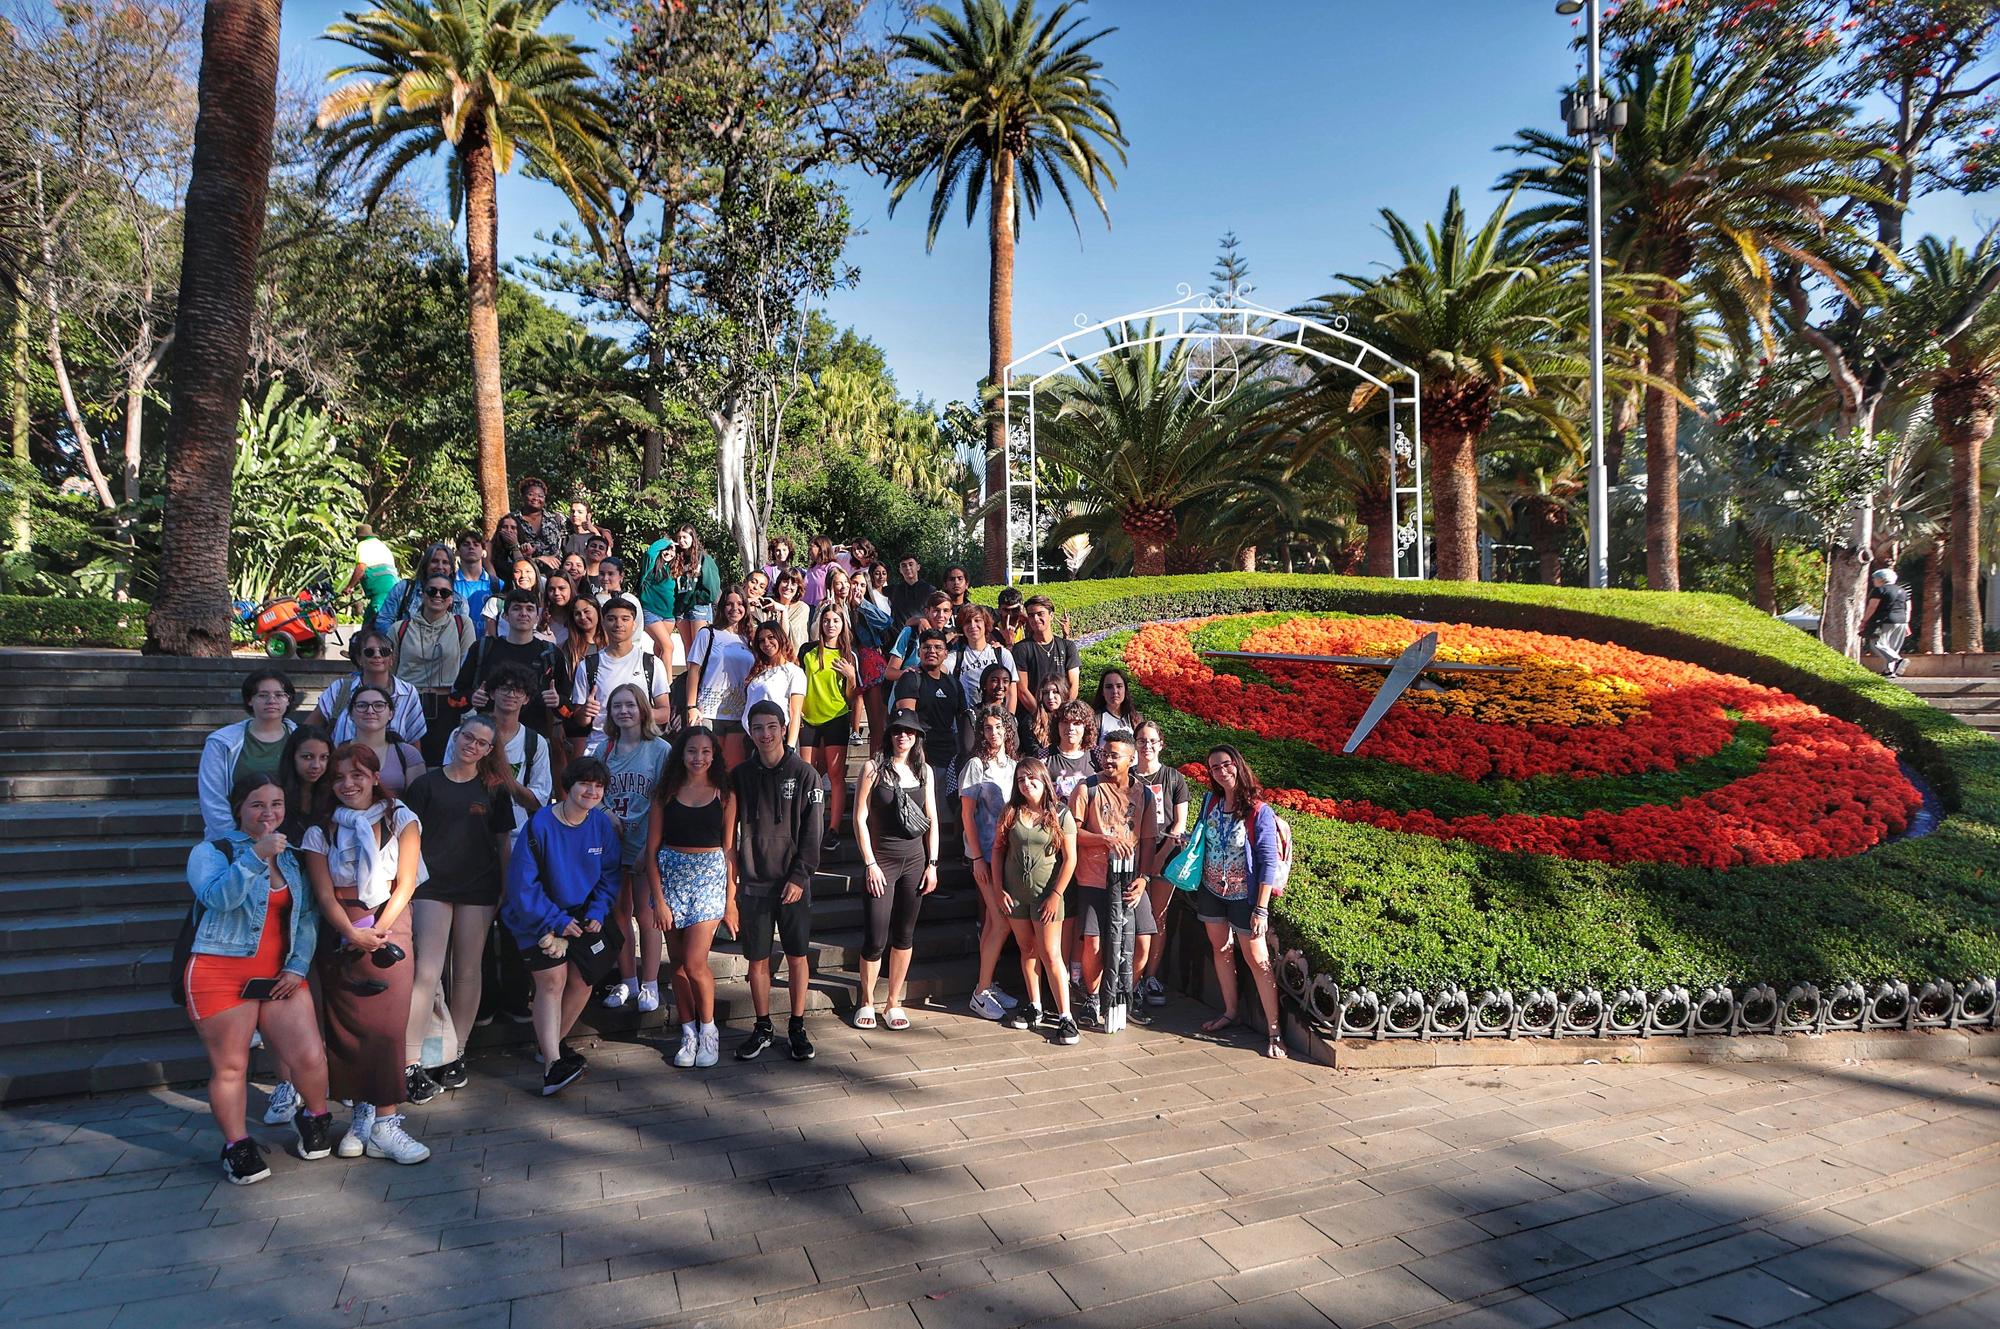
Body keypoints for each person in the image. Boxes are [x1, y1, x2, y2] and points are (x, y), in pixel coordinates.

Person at [185, 774, 334, 1184]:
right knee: (231, 1066)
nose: (268, 813)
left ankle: (316, 1116)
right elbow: (218, 897)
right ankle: (237, 1145)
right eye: (257, 805)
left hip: (279, 973)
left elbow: (306, 916)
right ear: (239, 809)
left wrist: (297, 965)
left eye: (277, 804)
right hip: (220, 970)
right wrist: (254, 856)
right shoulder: (210, 851)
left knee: (309, 1055)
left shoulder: (291, 857)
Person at [300, 743, 431, 1164]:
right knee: (346, 1027)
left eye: (357, 774)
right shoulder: (320, 829)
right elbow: (323, 893)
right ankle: (362, 1114)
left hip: (390, 923)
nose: (348, 784)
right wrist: (349, 933)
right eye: (338, 777)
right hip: (340, 928)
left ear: (375, 776)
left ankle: (387, 1122)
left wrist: (377, 929)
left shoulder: (401, 817)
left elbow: (406, 883)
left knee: (387, 1027)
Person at [402, 713, 514, 1099]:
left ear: (489, 751)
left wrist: (505, 887)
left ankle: (455, 1052)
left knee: (467, 971)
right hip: (432, 886)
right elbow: (407, 839)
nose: (474, 746)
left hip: (479, 887)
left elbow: (503, 842)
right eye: (469, 737)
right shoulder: (424, 784)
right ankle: (410, 1059)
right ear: (456, 735)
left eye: (483, 743)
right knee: (427, 973)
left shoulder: (494, 788)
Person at [501, 756, 622, 1095]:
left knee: (584, 977)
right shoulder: (540, 824)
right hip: (535, 916)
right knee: (552, 980)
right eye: (585, 784)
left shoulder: (600, 826)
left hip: (580, 916)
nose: (592, 791)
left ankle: (549, 1045)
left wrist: (598, 911)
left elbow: (610, 876)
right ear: (568, 786)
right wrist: (556, 921)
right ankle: (553, 1065)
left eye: (599, 787)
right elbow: (523, 885)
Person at [730, 700, 825, 1062]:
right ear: (750, 732)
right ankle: (763, 1025)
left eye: (772, 726)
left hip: (792, 883)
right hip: (754, 883)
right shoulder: (740, 775)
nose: (765, 734)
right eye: (758, 728)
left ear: (784, 728)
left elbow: (813, 833)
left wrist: (801, 874)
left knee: (797, 955)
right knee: (757, 959)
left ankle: (797, 1025)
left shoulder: (805, 774)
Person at [643, 727, 734, 1069]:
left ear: (714, 755)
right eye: (692, 751)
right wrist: (659, 900)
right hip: (671, 877)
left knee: (696, 963)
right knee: (678, 964)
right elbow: (651, 850)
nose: (699, 758)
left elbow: (728, 850)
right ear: (681, 754)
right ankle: (688, 1031)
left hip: (709, 878)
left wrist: (731, 900)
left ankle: (709, 1029)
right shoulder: (664, 793)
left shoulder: (724, 794)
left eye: (706, 751)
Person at [1194, 744, 1287, 1059]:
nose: (1221, 771)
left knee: (1258, 960)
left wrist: (1260, 908)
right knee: (1221, 951)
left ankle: (1275, 1033)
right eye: (1214, 768)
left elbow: (1268, 862)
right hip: (1210, 890)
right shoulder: (1211, 803)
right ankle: (1230, 1011)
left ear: (1238, 765)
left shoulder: (1259, 811)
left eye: (1226, 764)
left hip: (1243, 897)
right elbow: (1200, 840)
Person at [850, 710, 939, 1031]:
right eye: (898, 731)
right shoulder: (872, 768)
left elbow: (932, 820)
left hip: (915, 861)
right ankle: (867, 1000)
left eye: (910, 732)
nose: (903, 736)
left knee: (904, 934)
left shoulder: (924, 771)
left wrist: (933, 863)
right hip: (882, 860)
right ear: (889, 734)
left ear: (917, 738)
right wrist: (869, 862)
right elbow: (859, 817)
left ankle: (893, 1001)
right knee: (875, 935)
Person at [587, 684, 672, 1014]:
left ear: (643, 709)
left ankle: (650, 982)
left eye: (630, 705)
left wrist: (651, 847)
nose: (624, 711)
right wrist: (606, 812)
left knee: (646, 913)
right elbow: (592, 792)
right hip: (610, 844)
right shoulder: (603, 750)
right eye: (617, 706)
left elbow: (666, 799)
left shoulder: (659, 749)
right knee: (617, 912)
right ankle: (628, 980)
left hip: (645, 843)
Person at [1070, 730, 1159, 1033]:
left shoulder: (1145, 794)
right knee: (1093, 942)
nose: (1107, 759)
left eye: (1115, 755)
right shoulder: (1087, 789)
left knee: (1144, 942)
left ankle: (1125, 993)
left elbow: (1148, 842)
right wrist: (1104, 840)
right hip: (1094, 877)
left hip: (1132, 880)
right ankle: (1092, 998)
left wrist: (1145, 879)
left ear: (1131, 759)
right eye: (1105, 753)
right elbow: (1071, 834)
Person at [990, 759, 1080, 1045]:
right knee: (1027, 948)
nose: (1026, 784)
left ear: (1044, 780)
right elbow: (997, 851)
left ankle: (1066, 1016)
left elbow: (1070, 858)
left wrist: (1056, 894)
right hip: (1016, 895)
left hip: (1047, 896)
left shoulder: (1060, 814)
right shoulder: (1011, 811)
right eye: (1020, 780)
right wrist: (997, 888)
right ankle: (1035, 1005)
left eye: (1032, 779)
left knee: (1051, 953)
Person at [958, 703, 1022, 1023]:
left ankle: (988, 983)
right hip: (984, 854)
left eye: (998, 727)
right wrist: (976, 858)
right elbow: (967, 815)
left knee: (996, 924)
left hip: (1008, 855)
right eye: (987, 728)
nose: (993, 733)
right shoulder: (975, 765)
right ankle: (980, 992)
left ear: (1007, 730)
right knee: (1001, 921)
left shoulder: (1013, 766)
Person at [449, 588, 571, 735]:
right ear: (505, 616)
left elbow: (569, 711)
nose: (523, 613)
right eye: (516, 608)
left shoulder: (551, 654)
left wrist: (557, 702)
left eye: (530, 609)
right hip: (486, 741)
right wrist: (471, 698)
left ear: (537, 617)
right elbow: (453, 700)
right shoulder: (483, 648)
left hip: (534, 741)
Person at [199, 668, 298, 840]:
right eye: (262, 695)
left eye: (280, 695)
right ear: (250, 700)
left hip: (292, 837)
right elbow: (213, 799)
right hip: (236, 836)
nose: (271, 700)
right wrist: (235, 841)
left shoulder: (300, 739)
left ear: (288, 700)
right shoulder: (221, 742)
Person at [1132, 719, 1190, 1009]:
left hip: (1164, 855)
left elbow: (1179, 822)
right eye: (1141, 740)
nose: (1147, 746)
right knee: (1132, 918)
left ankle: (1150, 977)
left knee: (1158, 917)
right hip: (1132, 854)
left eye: (1152, 741)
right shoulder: (1127, 776)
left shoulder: (1173, 778)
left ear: (1161, 744)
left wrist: (1159, 854)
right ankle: (1129, 977)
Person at [569, 595, 673, 751]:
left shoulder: (651, 663)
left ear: (634, 625)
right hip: (600, 748)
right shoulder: (588, 665)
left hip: (641, 748)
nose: (618, 624)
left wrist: (637, 714)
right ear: (603, 623)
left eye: (625, 619)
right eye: (611, 619)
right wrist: (585, 711)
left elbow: (664, 713)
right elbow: (580, 718)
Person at [394, 573, 478, 766]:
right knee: (407, 765)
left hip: (448, 704)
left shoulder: (462, 624)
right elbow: (391, 670)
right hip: (408, 704)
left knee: (444, 766)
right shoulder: (400, 628)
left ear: (451, 598)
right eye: (432, 591)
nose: (438, 595)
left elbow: (468, 667)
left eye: (444, 592)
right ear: (423, 595)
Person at [799, 605, 860, 842]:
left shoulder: (849, 655)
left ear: (843, 624)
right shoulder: (808, 651)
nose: (830, 625)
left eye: (835, 620)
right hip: (809, 718)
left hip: (836, 717)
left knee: (835, 774)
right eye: (826, 620)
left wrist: (851, 675)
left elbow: (852, 697)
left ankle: (833, 828)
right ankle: (807, 824)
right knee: (807, 773)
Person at [685, 587, 756, 768]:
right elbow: (694, 671)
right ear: (722, 607)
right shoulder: (707, 634)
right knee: (708, 768)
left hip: (739, 713)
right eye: (729, 604)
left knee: (733, 769)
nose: (735, 608)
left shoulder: (750, 639)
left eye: (740, 604)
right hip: (707, 711)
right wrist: (691, 706)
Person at [320, 627, 427, 746]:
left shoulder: (408, 693)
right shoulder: (340, 689)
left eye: (384, 651)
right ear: (359, 659)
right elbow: (311, 730)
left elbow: (414, 742)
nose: (377, 656)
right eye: (369, 652)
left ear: (392, 659)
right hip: (344, 761)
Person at [892, 628, 964, 791]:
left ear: (946, 653)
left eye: (938, 647)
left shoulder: (954, 684)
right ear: (919, 652)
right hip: (920, 758)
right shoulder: (910, 679)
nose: (932, 651)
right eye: (926, 647)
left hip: (949, 758)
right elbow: (906, 723)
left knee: (947, 814)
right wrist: (915, 757)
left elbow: (961, 721)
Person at [342, 683, 425, 796]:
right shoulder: (340, 751)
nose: (370, 711)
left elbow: (417, 802)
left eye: (379, 705)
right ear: (351, 714)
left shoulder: (408, 754)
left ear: (391, 714)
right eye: (362, 705)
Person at [845, 572, 896, 755]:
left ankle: (876, 766)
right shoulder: (840, 608)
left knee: (877, 725)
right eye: (854, 583)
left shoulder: (866, 608)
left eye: (862, 585)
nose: (857, 588)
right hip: (848, 665)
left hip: (871, 665)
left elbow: (887, 622)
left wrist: (863, 605)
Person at [1012, 595, 1080, 720]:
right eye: (1031, 615)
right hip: (1032, 718)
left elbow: (1074, 684)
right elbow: (1022, 690)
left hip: (1063, 717)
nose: (1035, 619)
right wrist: (1041, 717)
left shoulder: (1067, 646)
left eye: (1040, 614)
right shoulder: (1021, 649)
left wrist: (1063, 714)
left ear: (1051, 615)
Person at [744, 621, 807, 752]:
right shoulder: (757, 671)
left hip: (777, 741)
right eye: (761, 640)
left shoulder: (794, 671)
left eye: (771, 637)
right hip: (752, 738)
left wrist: (790, 746)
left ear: (780, 638)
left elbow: (795, 712)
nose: (766, 643)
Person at [376, 542, 459, 632]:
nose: (440, 566)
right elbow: (383, 620)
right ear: (425, 565)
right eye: (434, 561)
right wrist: (399, 640)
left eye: (445, 562)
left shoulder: (459, 601)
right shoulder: (404, 589)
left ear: (451, 569)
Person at [885, 591, 956, 683]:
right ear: (927, 611)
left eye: (945, 611)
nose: (941, 615)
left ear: (950, 613)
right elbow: (889, 673)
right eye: (936, 610)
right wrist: (908, 674)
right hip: (906, 694)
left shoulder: (949, 638)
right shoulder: (910, 633)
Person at [673, 527, 720, 654]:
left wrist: (697, 599)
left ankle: (701, 674)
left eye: (685, 537)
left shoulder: (704, 558)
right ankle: (690, 674)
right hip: (681, 609)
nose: (681, 541)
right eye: (679, 538)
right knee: (688, 649)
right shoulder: (677, 558)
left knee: (700, 649)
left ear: (693, 538)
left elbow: (712, 588)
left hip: (699, 607)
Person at [506, 476, 569, 568]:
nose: (536, 498)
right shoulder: (511, 520)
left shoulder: (556, 519)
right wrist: (538, 559)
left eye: (540, 496)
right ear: (522, 496)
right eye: (531, 494)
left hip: (554, 573)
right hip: (524, 571)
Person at [347, 524, 399, 628]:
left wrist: (349, 587)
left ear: (359, 537)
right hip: (394, 586)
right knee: (368, 621)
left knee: (380, 620)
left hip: (381, 590)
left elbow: (361, 567)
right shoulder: (381, 545)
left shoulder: (363, 545)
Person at [1863, 566, 1912, 676]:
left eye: (1874, 578)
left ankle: (1898, 660)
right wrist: (1907, 623)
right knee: (1892, 647)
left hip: (1884, 621)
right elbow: (1908, 608)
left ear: (1881, 579)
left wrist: (1864, 621)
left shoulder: (1879, 590)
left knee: (1877, 644)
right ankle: (1889, 671)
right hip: (1901, 621)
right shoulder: (1902, 591)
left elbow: (1872, 607)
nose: (1873, 581)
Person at [638, 534, 679, 660]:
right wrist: (668, 541)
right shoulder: (651, 564)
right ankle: (667, 680)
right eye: (666, 549)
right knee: (668, 647)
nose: (669, 553)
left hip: (668, 615)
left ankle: (656, 677)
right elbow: (651, 551)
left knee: (660, 649)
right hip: (651, 612)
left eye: (672, 550)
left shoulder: (675, 569)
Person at [453, 530, 500, 625]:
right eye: (466, 544)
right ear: (458, 552)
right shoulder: (449, 584)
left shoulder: (497, 585)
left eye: (476, 544)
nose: (471, 547)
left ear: (483, 552)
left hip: (487, 639)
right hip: (456, 638)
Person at [1093, 667, 1142, 751]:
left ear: (1125, 690)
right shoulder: (1095, 719)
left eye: (1119, 686)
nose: (1115, 691)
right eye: (1109, 687)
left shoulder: (1135, 718)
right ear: (1102, 692)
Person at [1019, 678, 1068, 761]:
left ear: (1063, 693)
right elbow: (1032, 753)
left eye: (1055, 692)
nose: (1050, 697)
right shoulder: (1030, 721)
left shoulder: (1072, 720)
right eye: (1046, 693)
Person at [771, 568, 810, 653]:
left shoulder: (802, 608)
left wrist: (783, 610)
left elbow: (785, 635)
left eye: (793, 584)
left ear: (798, 588)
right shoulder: (770, 605)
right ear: (778, 583)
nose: (788, 587)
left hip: (792, 657)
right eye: (785, 581)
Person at [887, 554, 934, 626]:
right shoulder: (894, 590)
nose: (907, 568)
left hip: (922, 634)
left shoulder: (930, 591)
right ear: (900, 570)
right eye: (904, 565)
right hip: (899, 635)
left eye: (911, 564)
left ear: (918, 567)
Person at [801, 535, 839, 608]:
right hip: (806, 608)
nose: (809, 550)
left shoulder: (832, 567)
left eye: (811, 547)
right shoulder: (812, 568)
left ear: (821, 549)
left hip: (822, 609)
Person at [540, 573, 575, 645]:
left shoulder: (579, 616)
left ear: (571, 589)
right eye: (551, 589)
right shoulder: (538, 615)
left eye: (561, 588)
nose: (556, 593)